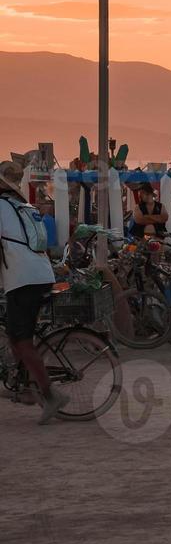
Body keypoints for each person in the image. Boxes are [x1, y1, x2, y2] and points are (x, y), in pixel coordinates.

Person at [0, 162, 67, 422]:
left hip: (24, 279)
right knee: (16, 335)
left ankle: (51, 396)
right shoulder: (21, 206)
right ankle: (26, 387)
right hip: (39, 273)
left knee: (22, 340)